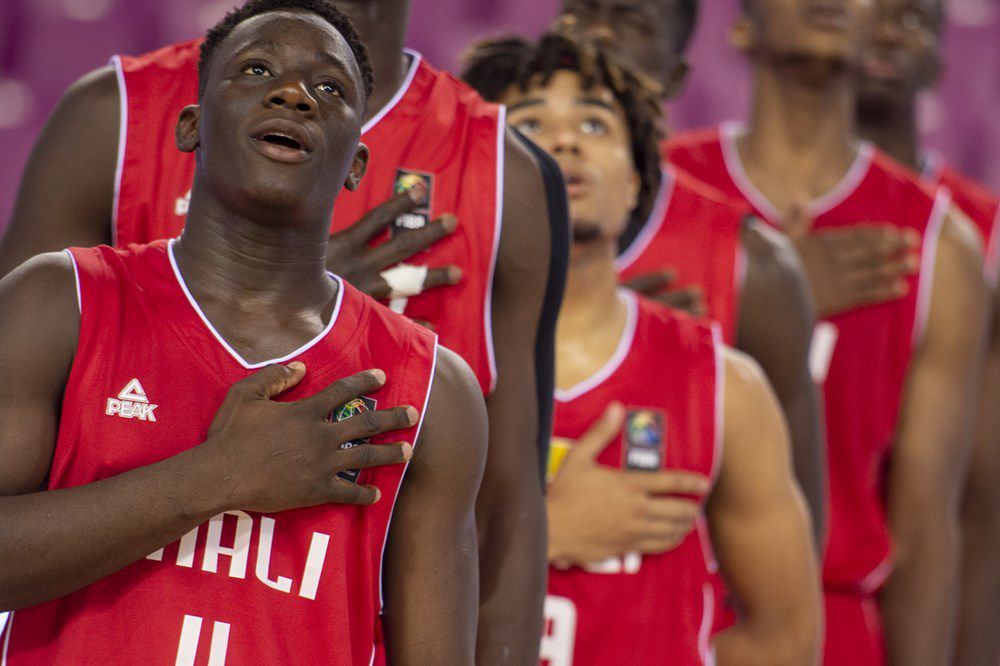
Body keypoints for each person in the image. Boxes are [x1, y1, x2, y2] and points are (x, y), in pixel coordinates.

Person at [0, 0, 564, 657]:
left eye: (329, 88)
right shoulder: (56, 301)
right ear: (188, 127)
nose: (293, 93)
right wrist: (215, 478)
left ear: (357, 161)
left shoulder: (434, 388)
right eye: (257, 69)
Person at [464, 34, 820, 665]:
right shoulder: (423, 362)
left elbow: (785, 638)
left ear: (635, 184)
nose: (565, 140)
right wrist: (547, 533)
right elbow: (357, 582)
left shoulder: (724, 386)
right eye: (531, 123)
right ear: (479, 168)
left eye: (595, 123)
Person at [665, 1, 990, 663]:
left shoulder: (939, 244)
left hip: (836, 617)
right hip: (666, 605)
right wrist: (771, 293)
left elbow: (925, 531)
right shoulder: (662, 186)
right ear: (741, 24)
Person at [542, 0, 830, 545]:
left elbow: (790, 551)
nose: (596, 34)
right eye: (579, 12)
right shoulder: (475, 221)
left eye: (629, 21)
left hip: (664, 620)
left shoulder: (753, 267)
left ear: (673, 76)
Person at [856, 5, 1000, 661]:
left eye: (912, 18)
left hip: (922, 583)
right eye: (872, 11)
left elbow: (981, 505)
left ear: (941, 65)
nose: (887, 31)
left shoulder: (982, 232)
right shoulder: (730, 210)